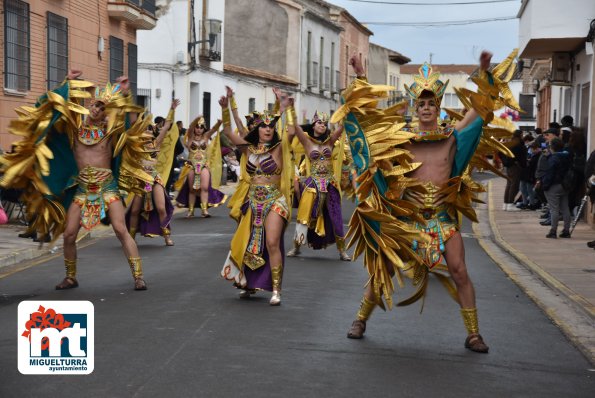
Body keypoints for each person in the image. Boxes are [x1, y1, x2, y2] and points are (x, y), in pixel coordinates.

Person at [335, 50, 521, 353]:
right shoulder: (401, 139)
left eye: (430, 103)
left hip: (443, 218)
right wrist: (359, 76)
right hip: (407, 220)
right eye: (420, 103)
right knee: (382, 271)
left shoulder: (452, 137)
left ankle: (474, 334)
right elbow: (367, 123)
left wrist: (483, 72)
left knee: (460, 271)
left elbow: (481, 108)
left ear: (437, 107)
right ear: (414, 107)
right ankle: (360, 319)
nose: (425, 108)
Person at [0, 69, 154, 290]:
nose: (96, 108)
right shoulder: (74, 132)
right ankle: (71, 277)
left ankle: (138, 276)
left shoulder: (110, 135)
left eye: (102, 107)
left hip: (107, 187)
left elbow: (130, 126)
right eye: (95, 104)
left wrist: (125, 95)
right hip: (82, 188)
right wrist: (68, 83)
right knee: (69, 233)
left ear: (106, 112)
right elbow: (50, 108)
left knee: (121, 230)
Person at [219, 89, 294, 305]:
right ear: (258, 130)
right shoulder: (247, 149)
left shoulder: (279, 149)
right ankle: (248, 283)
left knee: (271, 242)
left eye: (271, 126)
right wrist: (226, 108)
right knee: (250, 243)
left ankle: (276, 290)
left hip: (274, 200)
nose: (268, 129)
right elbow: (227, 130)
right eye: (264, 126)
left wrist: (284, 105)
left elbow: (289, 129)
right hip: (252, 202)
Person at [285, 109, 351, 261]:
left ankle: (342, 251)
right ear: (313, 125)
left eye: (325, 123)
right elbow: (296, 126)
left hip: (330, 183)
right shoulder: (307, 142)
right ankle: (296, 246)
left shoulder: (330, 141)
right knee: (304, 215)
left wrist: (347, 111)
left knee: (336, 216)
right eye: (320, 123)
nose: (322, 126)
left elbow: (341, 127)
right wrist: (290, 108)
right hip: (312, 183)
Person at [127, 99, 180, 246]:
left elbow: (166, 126)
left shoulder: (156, 144)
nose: (148, 131)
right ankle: (130, 238)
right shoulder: (135, 146)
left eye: (150, 129)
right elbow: (131, 126)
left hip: (154, 179)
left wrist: (172, 109)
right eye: (145, 128)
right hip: (140, 180)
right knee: (135, 210)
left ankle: (167, 236)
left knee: (161, 208)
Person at [175, 115, 226, 218]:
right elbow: (190, 127)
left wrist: (219, 123)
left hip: (204, 166)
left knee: (205, 188)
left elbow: (213, 130)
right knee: (192, 189)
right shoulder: (190, 138)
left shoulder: (206, 137)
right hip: (192, 166)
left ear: (204, 128)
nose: (199, 129)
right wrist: (197, 118)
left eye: (201, 127)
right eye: (197, 127)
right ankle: (190, 211)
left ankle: (204, 210)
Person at [542, 138, 571, 238]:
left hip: (554, 185)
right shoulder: (566, 156)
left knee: (554, 209)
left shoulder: (553, 158)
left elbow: (550, 173)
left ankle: (553, 231)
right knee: (565, 208)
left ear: (552, 147)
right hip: (565, 185)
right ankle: (566, 231)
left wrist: (545, 185)